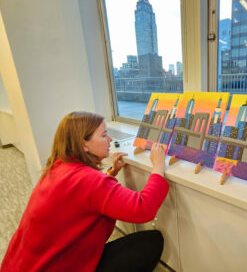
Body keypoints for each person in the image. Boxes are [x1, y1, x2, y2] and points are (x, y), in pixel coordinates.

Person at [1, 111, 169, 272]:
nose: (110, 139)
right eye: (104, 135)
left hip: (23, 265)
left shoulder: (57, 168)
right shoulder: (89, 180)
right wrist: (158, 165)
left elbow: (82, 198)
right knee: (152, 242)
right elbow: (143, 208)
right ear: (84, 144)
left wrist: (110, 173)